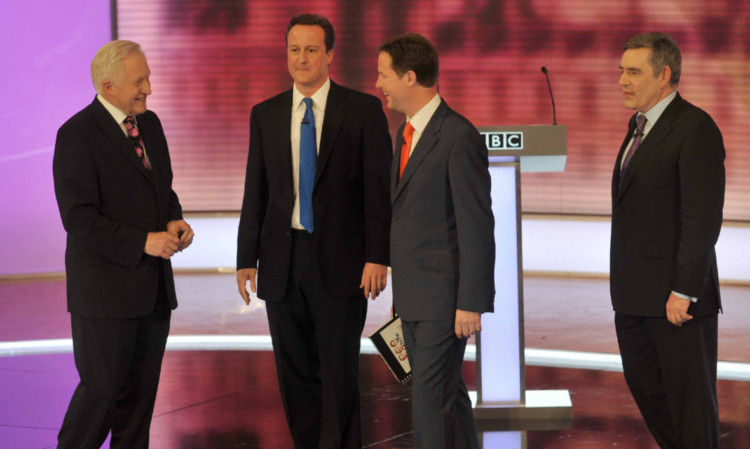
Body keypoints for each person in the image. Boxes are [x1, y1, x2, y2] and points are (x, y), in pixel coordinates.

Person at [235, 14, 392, 449]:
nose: (301, 58)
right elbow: (256, 191)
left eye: (310, 49)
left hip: (342, 264)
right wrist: (246, 258)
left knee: (339, 373)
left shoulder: (361, 110)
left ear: (329, 55)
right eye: (293, 49)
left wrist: (378, 256)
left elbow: (379, 192)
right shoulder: (265, 114)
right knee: (294, 374)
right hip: (282, 262)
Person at [53, 40, 194, 448]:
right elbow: (78, 218)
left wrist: (174, 218)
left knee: (139, 409)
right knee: (101, 398)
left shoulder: (151, 124)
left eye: (147, 77)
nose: (148, 87)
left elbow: (161, 189)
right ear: (109, 85)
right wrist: (143, 242)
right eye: (139, 80)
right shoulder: (76, 134)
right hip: (105, 298)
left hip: (152, 295)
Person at [375, 33, 495, 449]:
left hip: (445, 300)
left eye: (384, 75)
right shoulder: (404, 134)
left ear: (410, 78)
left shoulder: (458, 136)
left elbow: (477, 225)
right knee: (446, 394)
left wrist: (471, 302)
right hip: (413, 296)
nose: (379, 84)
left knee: (429, 400)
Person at [611, 32, 725, 449]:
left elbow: (702, 219)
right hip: (634, 298)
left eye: (633, 71)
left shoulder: (695, 128)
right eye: (621, 70)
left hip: (676, 302)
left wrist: (683, 291)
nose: (622, 79)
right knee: (653, 399)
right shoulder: (638, 126)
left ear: (664, 75)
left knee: (690, 412)